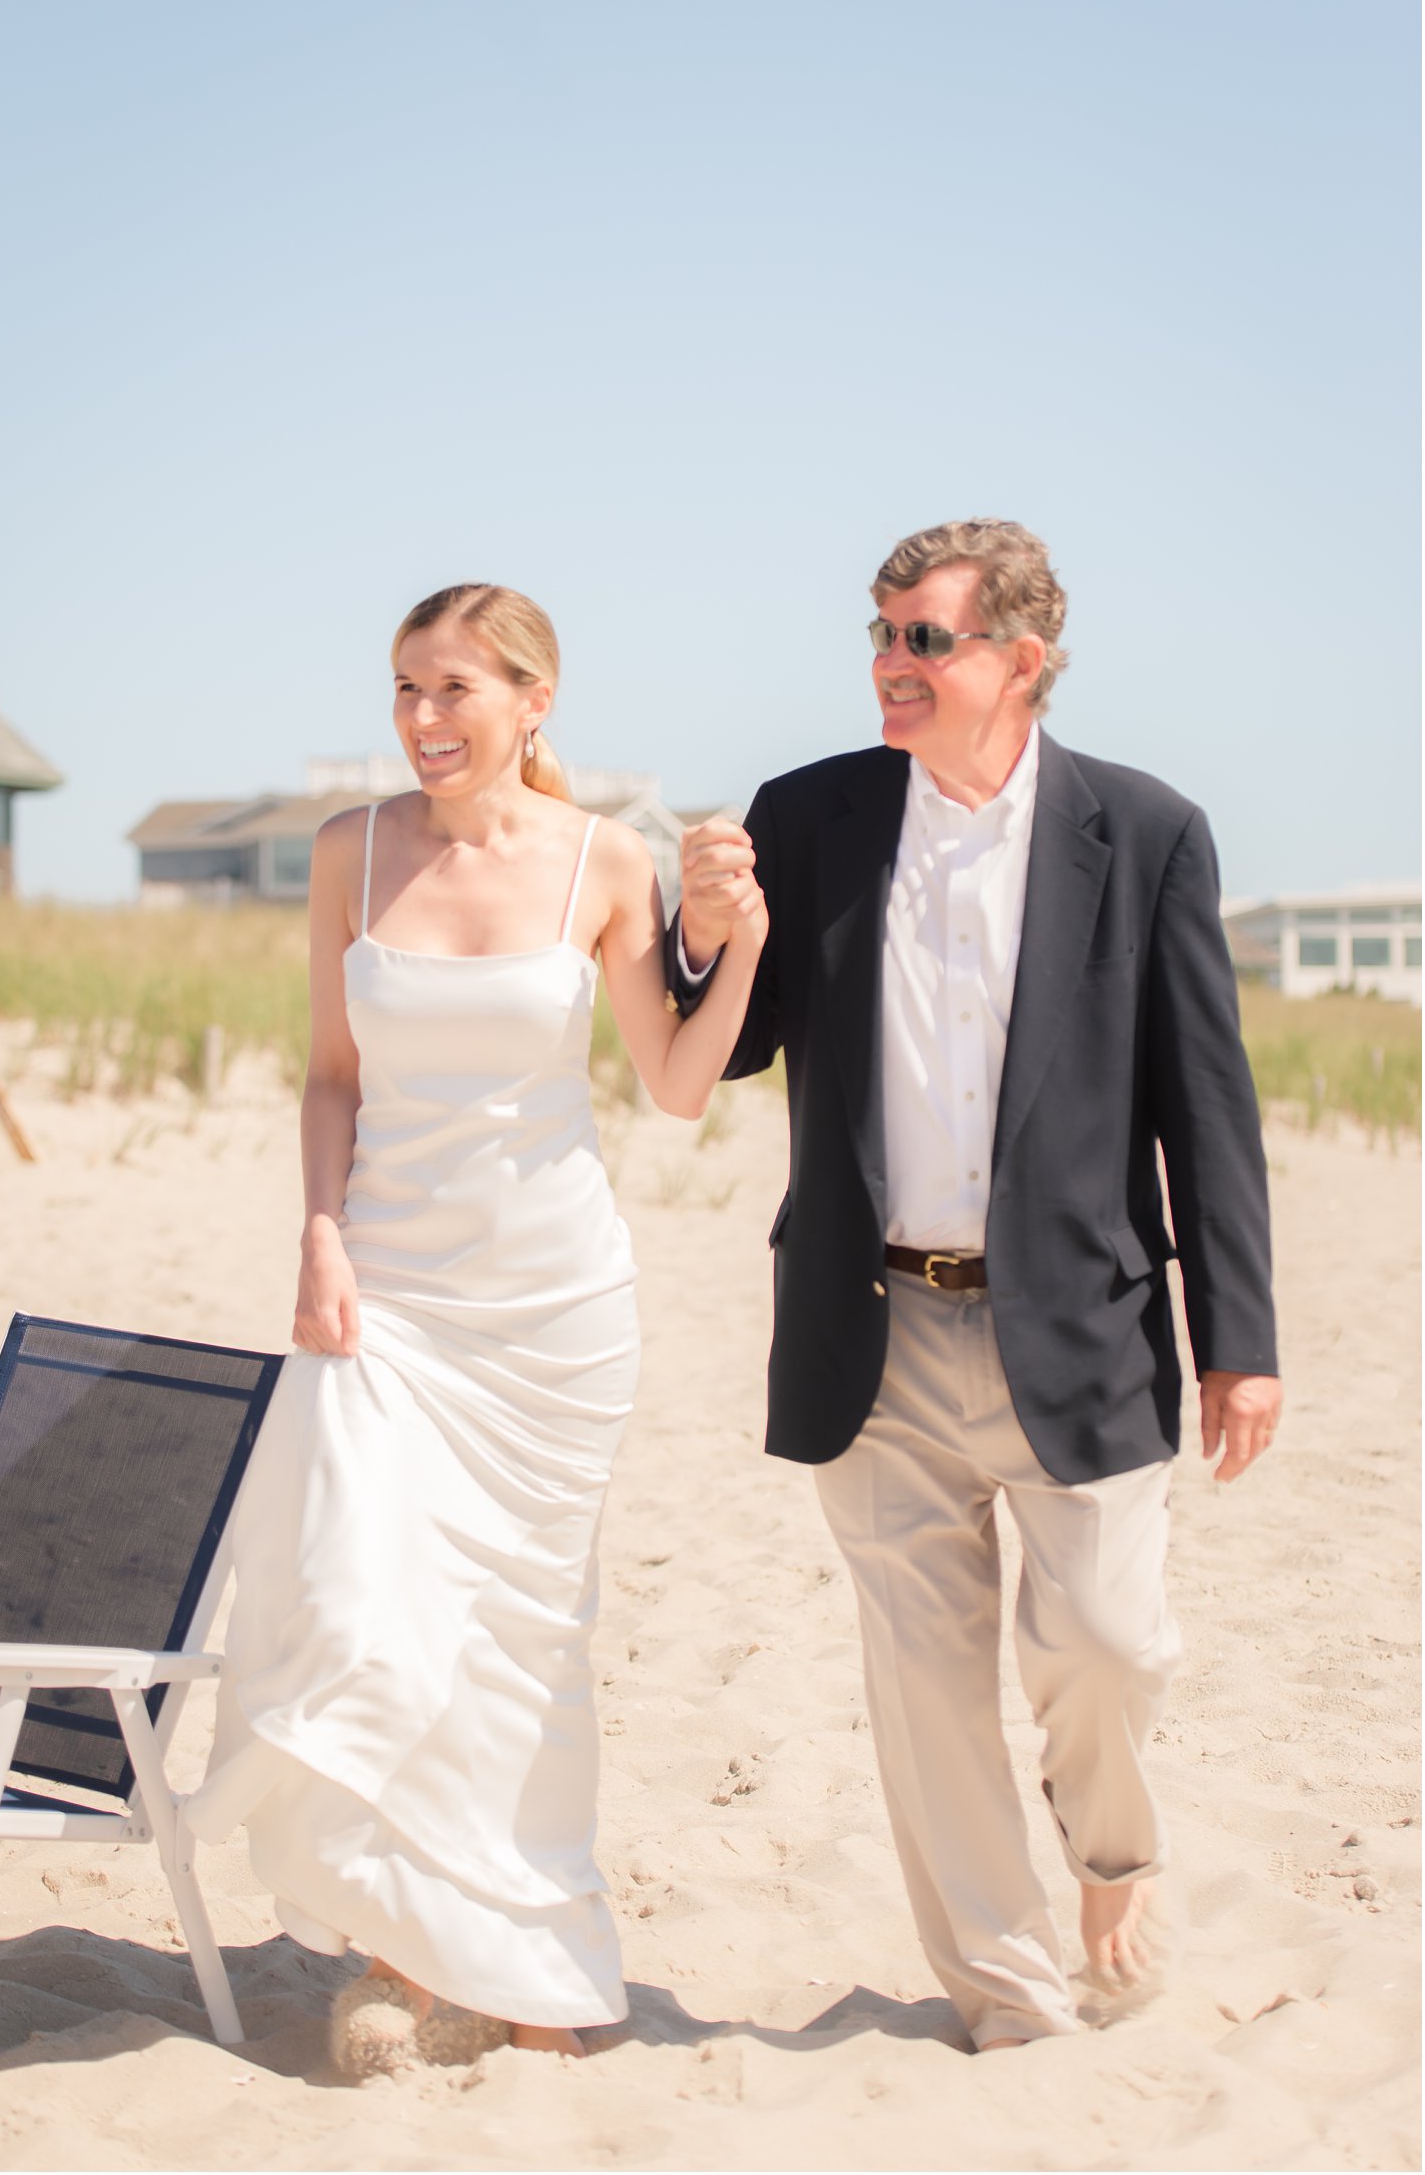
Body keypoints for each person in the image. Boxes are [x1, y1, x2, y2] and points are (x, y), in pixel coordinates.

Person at [668, 518, 1281, 2051]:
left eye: (924, 639)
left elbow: (1205, 1102)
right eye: (879, 635)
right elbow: (730, 1046)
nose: (891, 664)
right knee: (928, 1700)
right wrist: (700, 934)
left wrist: (1240, 1341)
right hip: (867, 1330)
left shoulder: (1143, 832)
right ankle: (1008, 2003)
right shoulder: (805, 818)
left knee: (1110, 1643)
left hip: (1081, 1331)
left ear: (1023, 659)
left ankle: (1113, 1855)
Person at [186, 583, 765, 2074]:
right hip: (384, 1301)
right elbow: (331, 1075)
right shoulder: (348, 851)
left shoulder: (606, 859)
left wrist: (739, 945)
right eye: (403, 690)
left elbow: (677, 1084)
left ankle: (537, 1963)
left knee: (526, 1646)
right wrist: (318, 1235)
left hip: (556, 1316)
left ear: (532, 702)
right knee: (367, 1618)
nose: (423, 720)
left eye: (454, 691)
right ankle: (401, 1947)